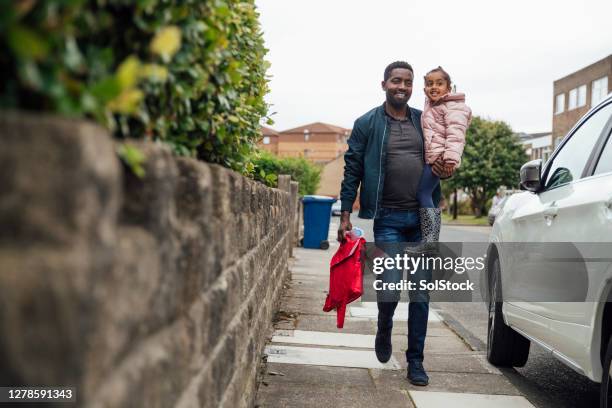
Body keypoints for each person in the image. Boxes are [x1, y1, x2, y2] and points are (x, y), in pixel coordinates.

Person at [337, 61, 454, 386]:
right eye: (396, 81)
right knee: (389, 286)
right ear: (384, 84)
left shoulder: (425, 119)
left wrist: (447, 168)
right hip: (387, 219)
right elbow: (352, 169)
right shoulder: (367, 123)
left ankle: (415, 360)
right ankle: (384, 326)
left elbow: (444, 151)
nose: (402, 87)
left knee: (420, 294)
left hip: (422, 219)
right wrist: (345, 214)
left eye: (407, 82)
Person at [408, 66, 471, 254]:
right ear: (424, 89)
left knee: (423, 194)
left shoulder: (454, 107)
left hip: (440, 158)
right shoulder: (434, 105)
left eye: (439, 83)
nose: (434, 87)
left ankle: (430, 241)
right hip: (434, 155)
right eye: (429, 84)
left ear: (449, 87)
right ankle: (431, 241)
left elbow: (456, 134)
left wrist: (450, 159)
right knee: (429, 197)